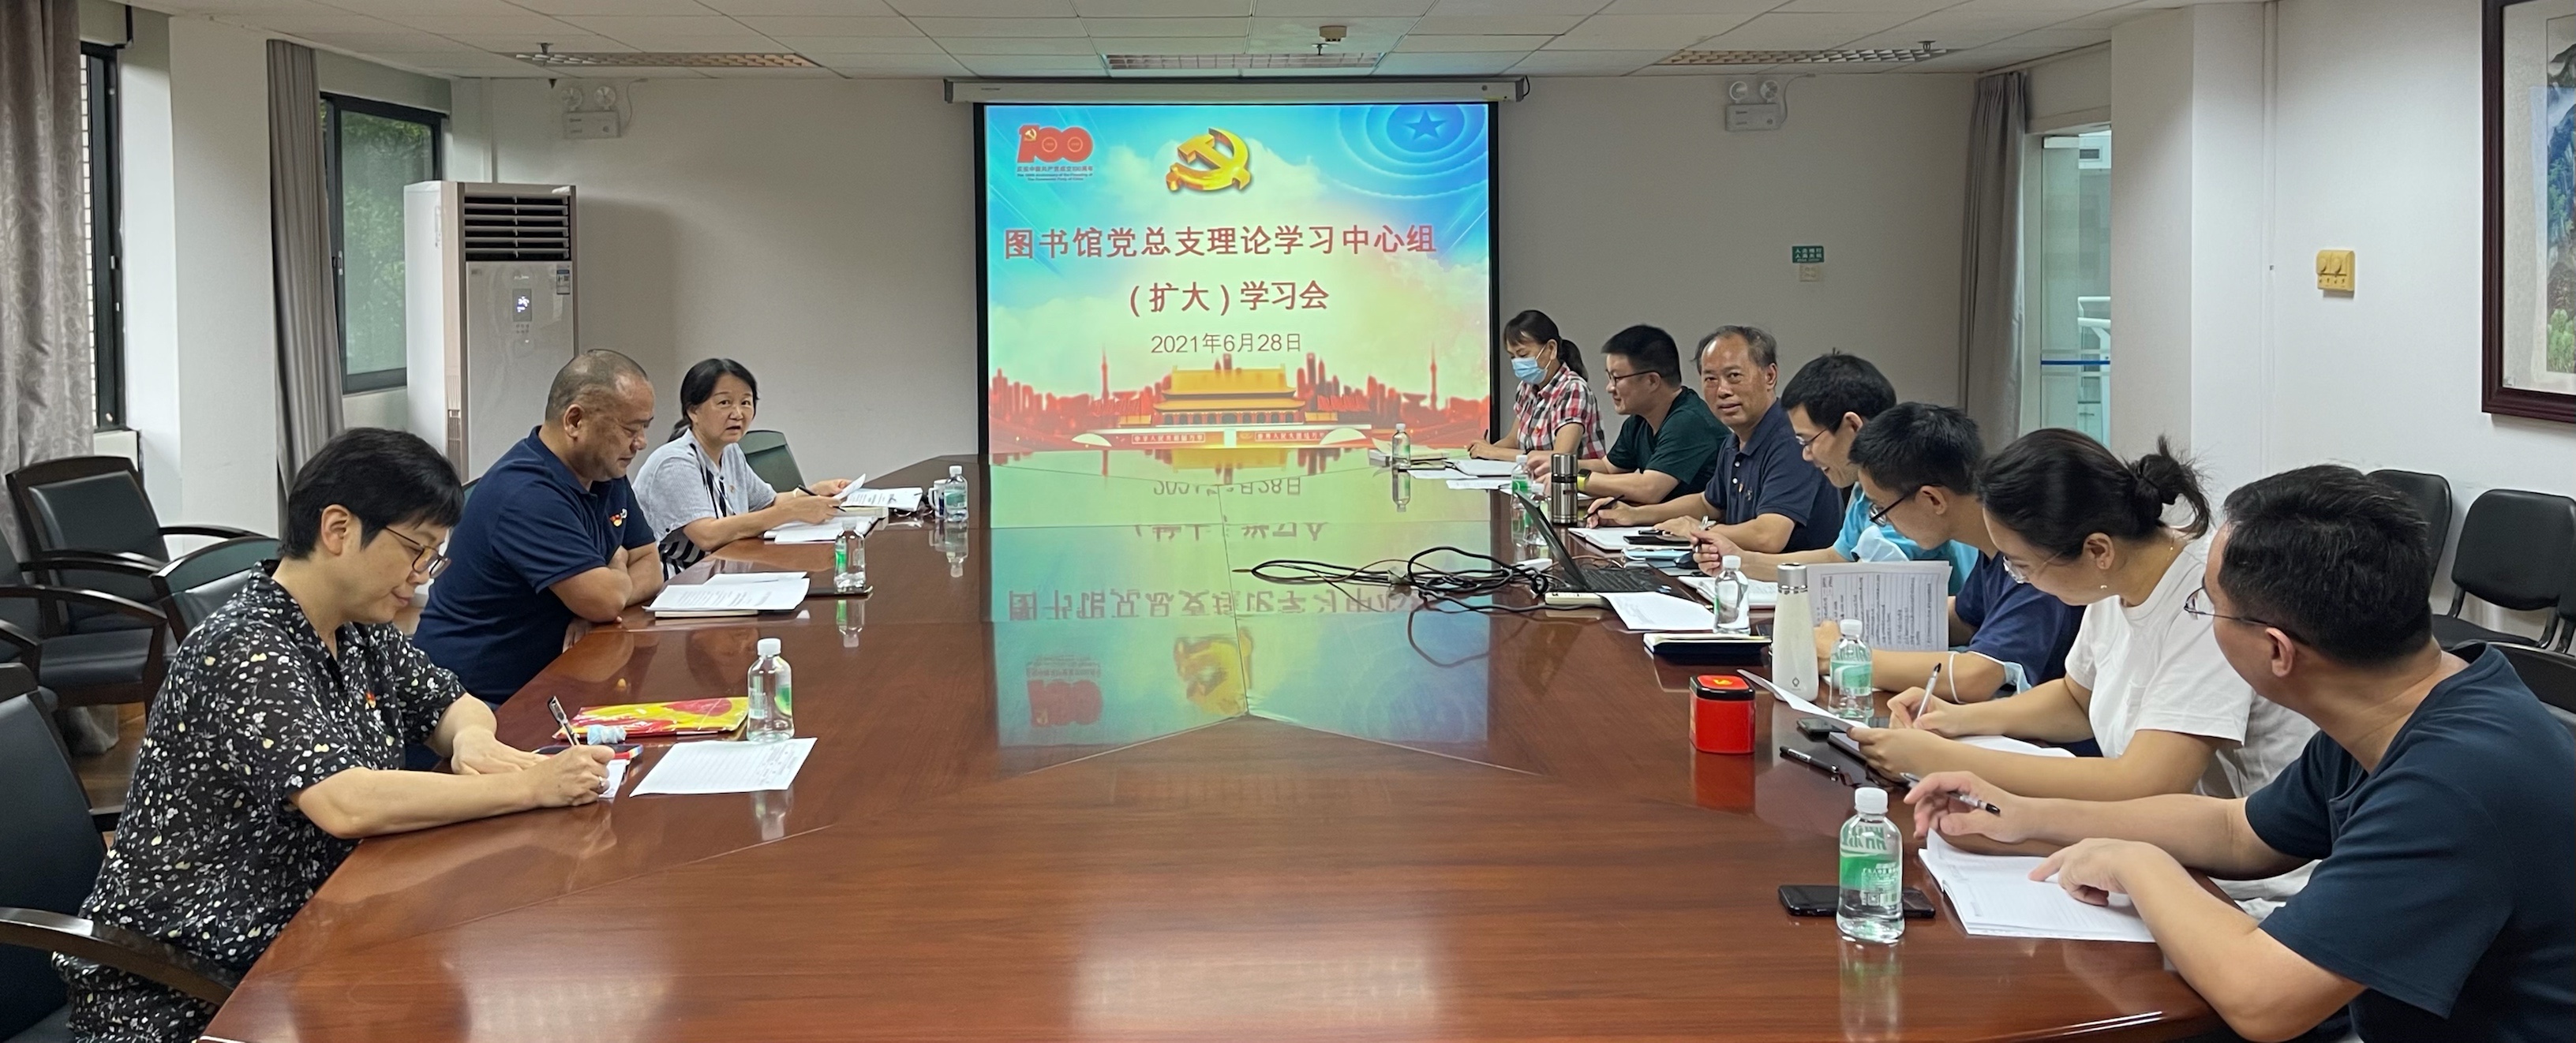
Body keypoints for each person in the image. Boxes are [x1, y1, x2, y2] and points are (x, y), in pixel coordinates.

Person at [1908, 465, 2574, 1043]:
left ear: (2276, 650)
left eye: (2209, 608)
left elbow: (2264, 1000)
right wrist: (2028, 816)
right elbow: (2239, 830)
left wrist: (2138, 864)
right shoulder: (2410, 699)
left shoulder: (2451, 785)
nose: (2203, 617)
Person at [54, 428, 614, 1043]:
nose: (421, 577)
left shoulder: (356, 627)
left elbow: (452, 702)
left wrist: (471, 741)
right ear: (339, 529)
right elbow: (345, 802)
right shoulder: (246, 649)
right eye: (416, 550)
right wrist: (532, 787)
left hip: (316, 934)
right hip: (192, 988)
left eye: (433, 557)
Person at [1849, 430, 2318, 817]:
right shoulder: (2114, 579)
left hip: (2240, 876)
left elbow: (2146, 781)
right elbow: (2077, 698)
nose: (2018, 578)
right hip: (2155, 838)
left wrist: (1945, 758)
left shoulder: (2207, 598)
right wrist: (1955, 720)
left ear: (2097, 550)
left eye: (2022, 565)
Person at [416, 350, 665, 705]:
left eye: (645, 428)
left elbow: (651, 566)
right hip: (478, 699)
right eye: (630, 429)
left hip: (556, 678)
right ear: (575, 421)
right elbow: (605, 600)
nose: (640, 442)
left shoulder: (605, 472)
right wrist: (613, 569)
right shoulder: (525, 492)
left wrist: (599, 596)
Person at [1823, 403, 2082, 701]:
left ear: (1933, 500)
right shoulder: (1991, 549)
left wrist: (1842, 655)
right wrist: (1847, 626)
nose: (1884, 523)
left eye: (1882, 509)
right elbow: (1965, 618)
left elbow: (1976, 677)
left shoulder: (2034, 552)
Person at [1688, 351, 1979, 593]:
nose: (1806, 454)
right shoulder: (1866, 488)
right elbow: (1838, 558)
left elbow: (1866, 580)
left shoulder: (1907, 488)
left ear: (1852, 426)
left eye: (1808, 441)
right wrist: (1740, 560)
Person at [1589, 327, 1838, 555]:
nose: (1723, 390)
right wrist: (1635, 515)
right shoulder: (1734, 441)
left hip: (1793, 584)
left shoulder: (1792, 439)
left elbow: (1769, 536)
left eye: (1734, 376)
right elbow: (1707, 504)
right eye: (1710, 379)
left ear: (1769, 376)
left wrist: (1698, 530)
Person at [635, 357, 855, 572]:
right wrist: (791, 511)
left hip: (723, 570)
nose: (738, 414)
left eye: (746, 403)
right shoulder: (675, 462)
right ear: (693, 411)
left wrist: (813, 492)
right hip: (679, 580)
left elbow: (767, 503)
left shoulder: (730, 451)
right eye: (724, 403)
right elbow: (707, 535)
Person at [1527, 324, 1720, 508]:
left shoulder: (1689, 421)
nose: (1609, 388)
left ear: (1652, 381)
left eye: (1617, 378)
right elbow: (1608, 468)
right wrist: (1560, 466)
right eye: (1609, 378)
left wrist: (1571, 478)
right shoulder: (1638, 421)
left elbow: (1649, 489)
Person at [1467, 309, 1605, 466]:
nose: (1517, 362)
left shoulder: (1573, 389)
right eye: (1512, 357)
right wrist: (1484, 451)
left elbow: (1561, 457)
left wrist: (1494, 453)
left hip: (1577, 481)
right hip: (1535, 478)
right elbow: (1513, 441)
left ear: (1551, 349)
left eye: (1523, 355)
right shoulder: (1526, 388)